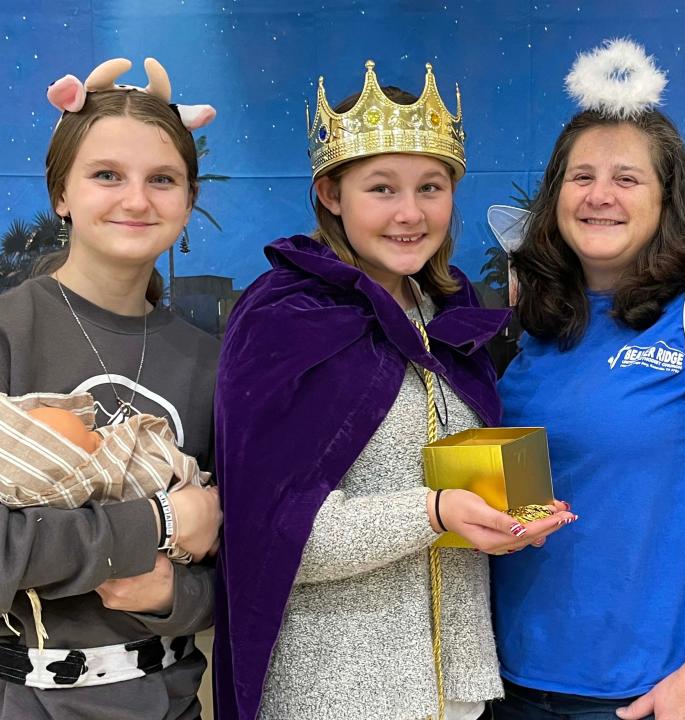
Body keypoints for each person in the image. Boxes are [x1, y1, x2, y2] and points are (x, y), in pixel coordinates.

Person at [213, 59, 576, 720]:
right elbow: (269, 541)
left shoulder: (448, 314)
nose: (411, 213)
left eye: (431, 187)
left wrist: (508, 514)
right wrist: (434, 513)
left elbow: (460, 481)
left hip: (454, 695)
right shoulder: (284, 320)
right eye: (381, 188)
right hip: (334, 697)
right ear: (330, 193)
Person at [488, 39, 685, 720]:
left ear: (669, 199)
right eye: (581, 177)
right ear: (555, 197)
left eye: (626, 178)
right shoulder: (543, 326)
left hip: (667, 692)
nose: (599, 195)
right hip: (528, 680)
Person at [0, 59, 222, 719]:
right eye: (106, 176)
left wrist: (172, 598)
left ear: (188, 199)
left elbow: (230, 560)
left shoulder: (210, 363)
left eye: (162, 179)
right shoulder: (10, 333)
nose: (136, 200)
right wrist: (152, 523)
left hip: (170, 699)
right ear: (60, 193)